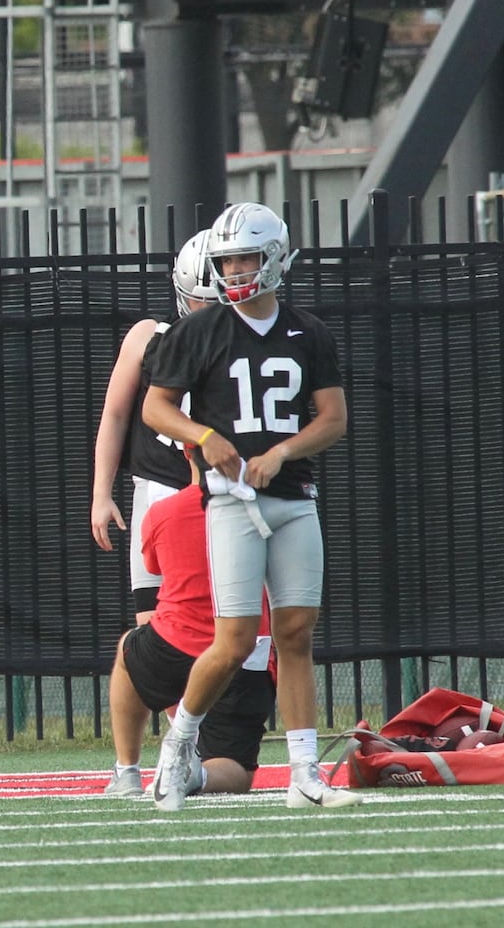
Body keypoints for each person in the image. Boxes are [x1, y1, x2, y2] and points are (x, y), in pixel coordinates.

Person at [142, 202, 360, 810]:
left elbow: (334, 419)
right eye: (227, 259)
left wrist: (282, 453)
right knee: (234, 639)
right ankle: (177, 744)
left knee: (295, 633)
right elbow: (155, 408)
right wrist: (206, 437)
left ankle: (304, 774)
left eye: (246, 257)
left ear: (276, 259)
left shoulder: (307, 331)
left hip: (293, 498)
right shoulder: (201, 329)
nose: (236, 269)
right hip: (232, 503)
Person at [102, 471, 276, 800]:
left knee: (129, 649)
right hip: (247, 652)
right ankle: (197, 775)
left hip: (179, 643)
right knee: (237, 770)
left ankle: (127, 770)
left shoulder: (164, 511)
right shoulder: (265, 508)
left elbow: (154, 566)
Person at [90, 231, 216, 627]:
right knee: (153, 622)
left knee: (230, 618)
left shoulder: (247, 345)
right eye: (201, 300)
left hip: (223, 490)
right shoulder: (150, 337)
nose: (208, 311)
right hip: (160, 486)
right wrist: (100, 493)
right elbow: (114, 416)